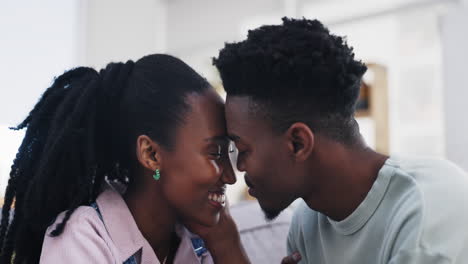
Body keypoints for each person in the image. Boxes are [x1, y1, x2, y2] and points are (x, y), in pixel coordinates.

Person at [213, 17, 468, 263]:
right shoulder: (306, 224)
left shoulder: (428, 205)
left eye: (242, 149)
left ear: (298, 143)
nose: (238, 170)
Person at [0, 54, 238, 263]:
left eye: (229, 152)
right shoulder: (84, 239)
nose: (230, 176)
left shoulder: (203, 242)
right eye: (215, 153)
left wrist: (228, 247)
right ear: (151, 155)